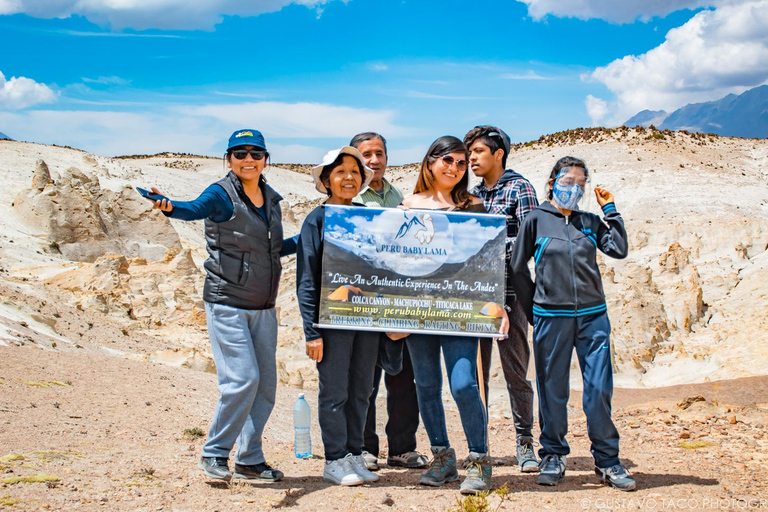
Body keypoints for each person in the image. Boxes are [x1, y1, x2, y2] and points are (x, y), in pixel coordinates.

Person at [149, 129, 294, 483]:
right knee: (242, 379)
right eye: (240, 153)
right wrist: (170, 206)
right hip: (227, 301)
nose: (249, 159)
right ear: (229, 159)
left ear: (265, 158)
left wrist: (310, 238)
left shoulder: (271, 199)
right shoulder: (220, 194)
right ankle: (214, 453)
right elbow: (193, 209)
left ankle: (250, 459)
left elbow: (272, 250)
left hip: (264, 305)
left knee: (265, 387)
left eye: (256, 153)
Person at [509, 156, 635, 491]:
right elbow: (518, 268)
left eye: (580, 184)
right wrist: (535, 309)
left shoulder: (589, 222)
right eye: (567, 182)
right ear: (551, 183)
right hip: (551, 318)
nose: (574, 189)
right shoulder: (536, 220)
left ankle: (607, 460)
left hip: (593, 317)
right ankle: (552, 455)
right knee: (553, 391)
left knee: (598, 390)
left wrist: (611, 211)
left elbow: (619, 249)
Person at [400, 136, 493, 495]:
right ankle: (442, 457)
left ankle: (480, 460)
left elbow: (487, 260)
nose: (453, 168)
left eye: (460, 162)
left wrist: (494, 307)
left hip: (460, 310)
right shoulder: (407, 205)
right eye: (447, 160)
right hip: (418, 310)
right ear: (430, 161)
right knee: (426, 384)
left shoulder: (474, 206)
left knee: (464, 383)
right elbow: (399, 260)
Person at [297, 146, 381, 486]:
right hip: (331, 322)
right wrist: (311, 331)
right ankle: (334, 459)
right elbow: (306, 279)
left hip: (367, 320)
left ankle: (354, 454)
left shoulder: (369, 218)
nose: (349, 177)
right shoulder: (316, 220)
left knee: (362, 389)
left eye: (355, 172)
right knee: (335, 391)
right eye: (340, 171)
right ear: (327, 179)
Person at [350, 132, 428, 471]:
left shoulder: (400, 196)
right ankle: (364, 448)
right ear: (355, 158)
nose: (374, 160)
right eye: (366, 154)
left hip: (401, 302)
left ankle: (402, 448)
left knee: (404, 380)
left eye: (379, 153)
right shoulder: (350, 196)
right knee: (365, 380)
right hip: (364, 303)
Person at [463, 125, 539, 473]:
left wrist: (490, 244)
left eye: (478, 152)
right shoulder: (473, 194)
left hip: (512, 296)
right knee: (478, 376)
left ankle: (525, 442)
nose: (472, 159)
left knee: (516, 372)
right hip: (478, 297)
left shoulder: (520, 189)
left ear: (498, 155)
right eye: (469, 153)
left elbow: (532, 242)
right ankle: (480, 447)